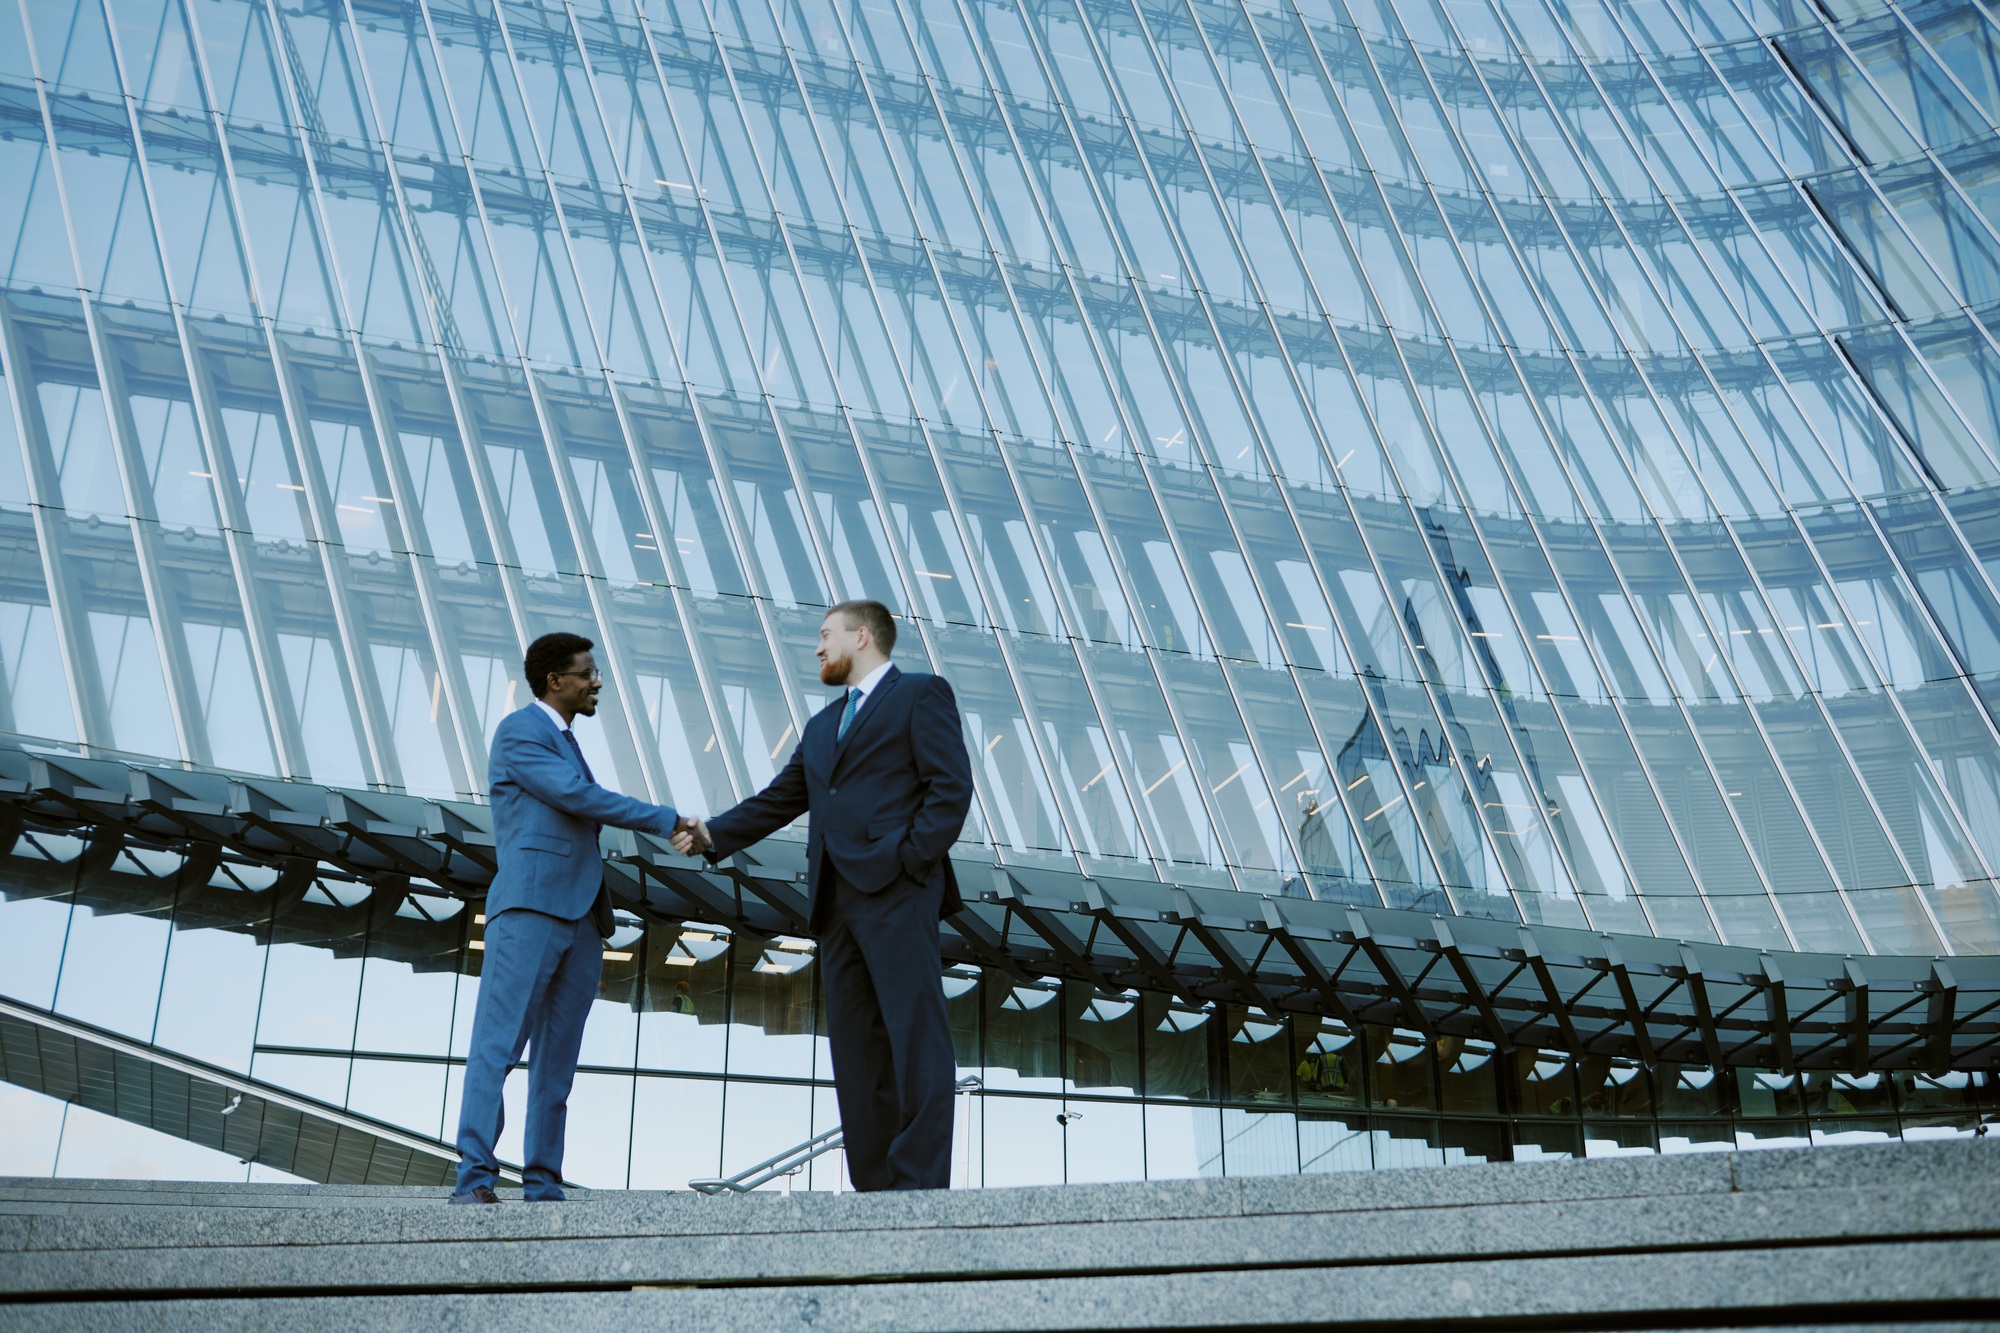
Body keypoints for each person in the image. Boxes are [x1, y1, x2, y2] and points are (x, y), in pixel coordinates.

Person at [674, 600, 972, 1191]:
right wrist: (714, 834)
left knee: (915, 1039)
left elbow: (951, 788)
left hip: (897, 891)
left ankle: (918, 1181)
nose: (817, 647)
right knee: (856, 1052)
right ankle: (874, 1183)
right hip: (835, 906)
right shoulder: (820, 726)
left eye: (826, 635)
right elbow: (782, 797)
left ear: (862, 637)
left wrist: (909, 860)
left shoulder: (921, 695)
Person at [452, 632, 694, 1205]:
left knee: (557, 1063)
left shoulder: (564, 739)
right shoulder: (522, 731)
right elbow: (578, 797)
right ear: (554, 680)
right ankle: (474, 1180)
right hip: (531, 909)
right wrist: (668, 819)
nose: (596, 682)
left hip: (583, 920)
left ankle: (542, 1183)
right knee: (499, 1047)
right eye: (586, 673)